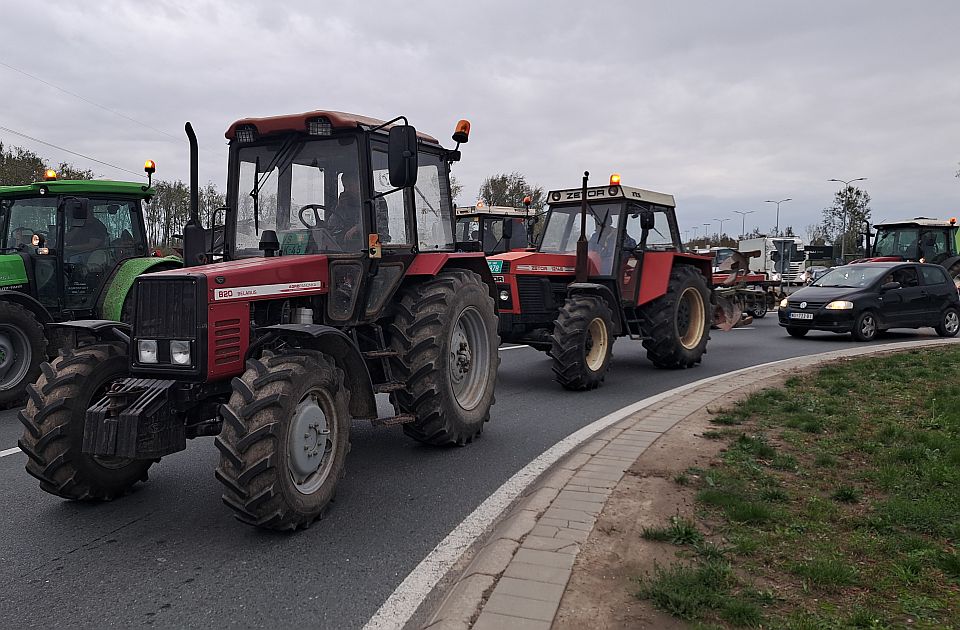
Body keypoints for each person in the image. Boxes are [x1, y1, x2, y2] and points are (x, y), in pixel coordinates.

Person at [325, 171, 362, 249]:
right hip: (344, 247)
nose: (347, 189)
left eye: (349, 185)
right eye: (345, 186)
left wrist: (358, 228)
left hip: (370, 247)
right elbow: (331, 226)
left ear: (359, 183)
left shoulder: (376, 199)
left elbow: (379, 227)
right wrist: (339, 207)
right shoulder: (344, 202)